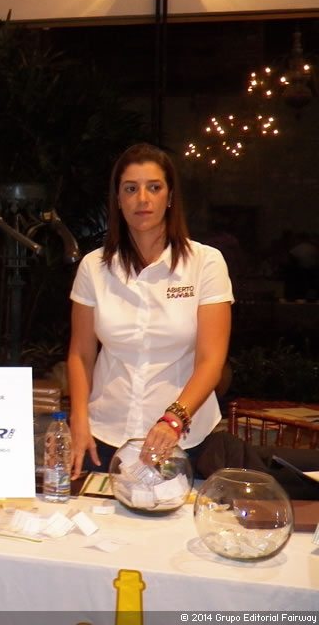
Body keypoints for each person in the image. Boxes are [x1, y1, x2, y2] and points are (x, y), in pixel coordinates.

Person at [66, 143, 234, 479]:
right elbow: (81, 354)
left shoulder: (205, 263)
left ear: (169, 196)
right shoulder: (93, 267)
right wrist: (79, 419)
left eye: (154, 187)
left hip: (184, 439)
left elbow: (211, 361)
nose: (142, 199)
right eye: (131, 189)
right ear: (118, 199)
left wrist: (174, 419)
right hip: (104, 435)